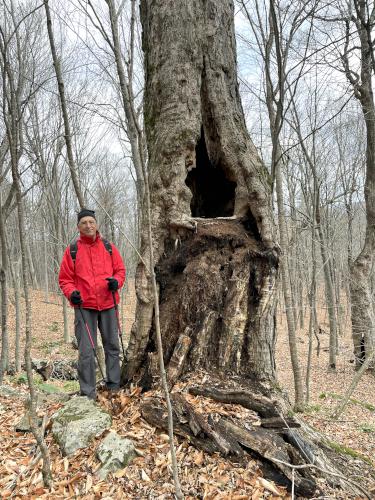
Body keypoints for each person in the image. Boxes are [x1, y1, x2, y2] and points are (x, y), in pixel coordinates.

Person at [58, 209, 126, 399]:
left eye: (91, 222)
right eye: (84, 223)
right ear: (78, 227)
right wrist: (72, 293)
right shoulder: (72, 250)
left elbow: (120, 270)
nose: (88, 225)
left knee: (112, 346)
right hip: (84, 307)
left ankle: (114, 386)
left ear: (96, 224)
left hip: (108, 303)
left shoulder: (108, 246)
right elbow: (64, 279)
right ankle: (88, 393)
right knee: (86, 351)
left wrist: (116, 282)